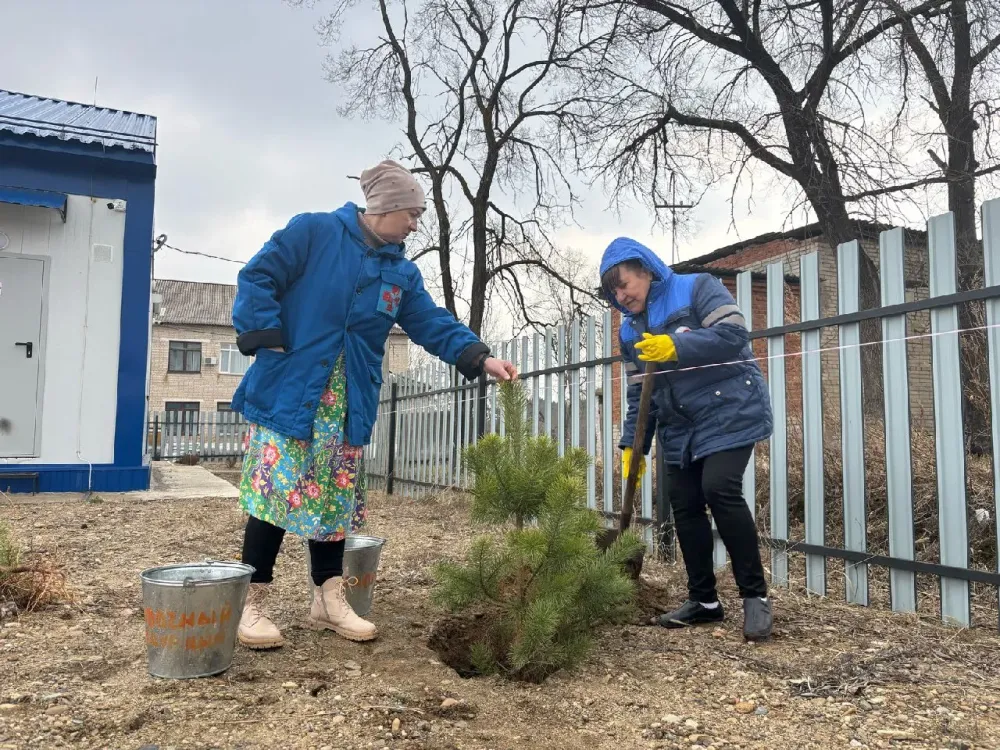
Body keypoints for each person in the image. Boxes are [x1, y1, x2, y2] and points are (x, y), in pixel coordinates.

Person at [229, 159, 518, 650]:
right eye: (412, 212)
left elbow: (430, 323)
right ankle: (251, 603)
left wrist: (481, 356)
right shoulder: (314, 232)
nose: (415, 223)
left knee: (333, 498)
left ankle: (328, 598)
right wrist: (266, 337)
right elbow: (258, 276)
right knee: (277, 495)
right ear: (385, 208)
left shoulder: (400, 273)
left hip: (349, 401)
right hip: (292, 390)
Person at [599, 237, 774, 641]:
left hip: (729, 409)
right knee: (684, 503)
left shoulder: (696, 287)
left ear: (646, 269)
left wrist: (675, 344)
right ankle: (704, 602)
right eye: (614, 293)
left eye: (625, 285)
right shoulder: (629, 329)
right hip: (680, 425)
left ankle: (755, 598)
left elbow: (733, 335)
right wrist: (634, 446)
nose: (622, 297)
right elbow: (639, 391)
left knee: (719, 489)